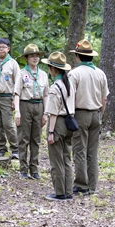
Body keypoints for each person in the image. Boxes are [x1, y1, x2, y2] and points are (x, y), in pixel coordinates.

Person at [69, 40, 109, 195]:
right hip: (96, 114)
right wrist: (100, 115)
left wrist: (70, 116)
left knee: (79, 150)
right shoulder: (100, 73)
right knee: (92, 152)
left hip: (81, 114)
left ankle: (81, 185)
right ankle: (92, 185)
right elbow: (104, 99)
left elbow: (70, 97)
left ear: (78, 56)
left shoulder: (74, 73)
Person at [42, 52, 75, 201]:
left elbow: (53, 113)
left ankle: (60, 192)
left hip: (58, 124)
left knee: (56, 160)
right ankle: (68, 191)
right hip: (70, 123)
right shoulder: (69, 84)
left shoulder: (55, 87)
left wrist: (50, 132)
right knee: (66, 158)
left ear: (53, 69)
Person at [13, 44, 49, 180]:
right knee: (23, 138)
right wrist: (17, 112)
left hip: (39, 106)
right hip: (25, 105)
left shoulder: (43, 75)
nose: (35, 58)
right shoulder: (22, 74)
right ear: (26, 58)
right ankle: (23, 169)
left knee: (36, 139)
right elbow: (17, 93)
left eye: (37, 56)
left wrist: (45, 113)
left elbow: (46, 95)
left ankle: (34, 169)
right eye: (32, 56)